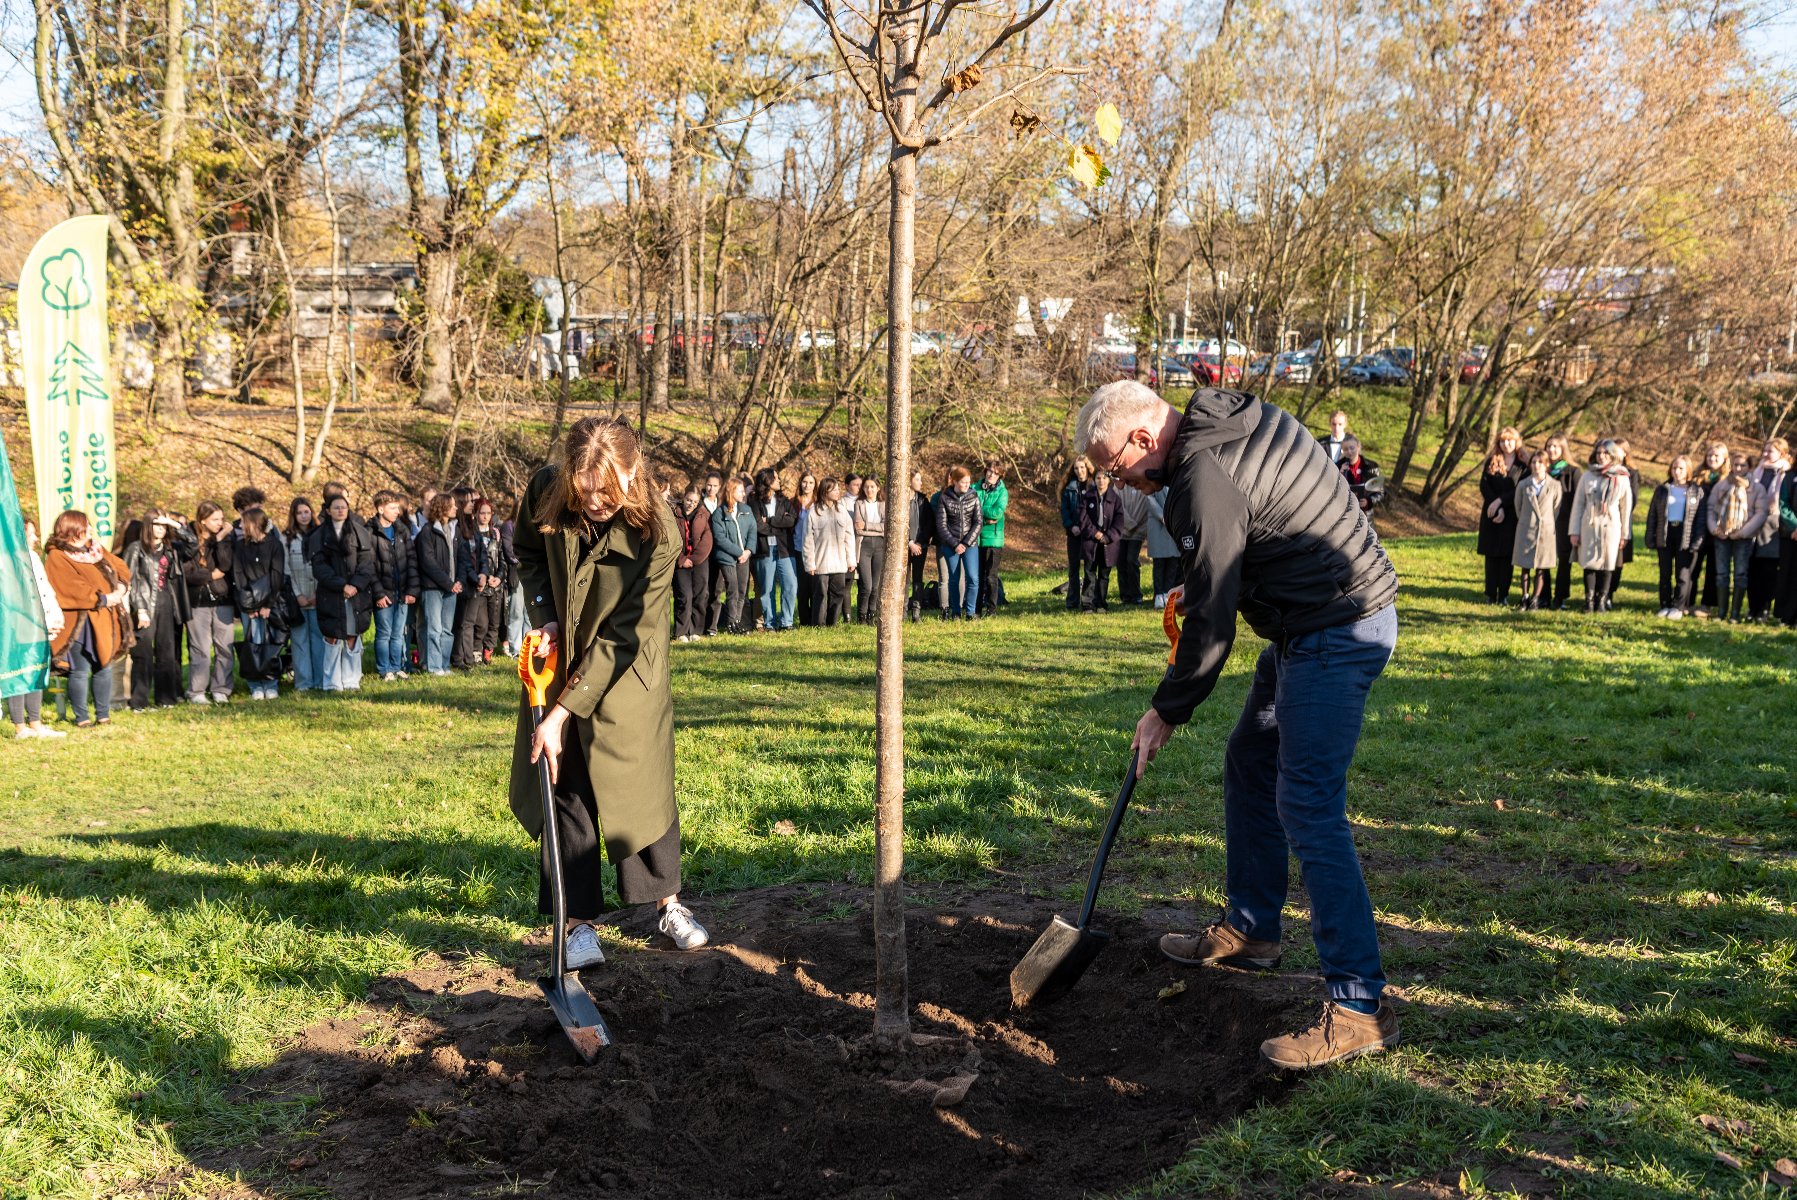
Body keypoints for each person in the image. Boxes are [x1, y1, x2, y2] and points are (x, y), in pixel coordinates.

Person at [1076, 379, 1400, 1070]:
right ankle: (1252, 929)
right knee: (1250, 760)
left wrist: (1167, 708)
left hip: (1335, 629)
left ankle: (1358, 1008)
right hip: (1315, 618)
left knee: (1307, 803)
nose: (1122, 483)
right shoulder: (1221, 420)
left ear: (1141, 438)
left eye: (1116, 469)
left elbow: (1213, 623)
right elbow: (1240, 547)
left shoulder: (1203, 475)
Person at [514, 416, 709, 960]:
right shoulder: (545, 489)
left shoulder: (660, 533)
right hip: (560, 662)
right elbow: (529, 554)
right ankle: (577, 924)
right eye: (584, 490)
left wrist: (563, 712)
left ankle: (667, 905)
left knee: (637, 787)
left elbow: (625, 636)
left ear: (632, 469)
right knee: (565, 783)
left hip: (629, 671)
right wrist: (545, 616)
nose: (596, 502)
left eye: (607, 489)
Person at [44, 510, 132, 729]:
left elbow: (119, 566)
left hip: (103, 619)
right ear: (73, 530)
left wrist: (120, 587)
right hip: (78, 623)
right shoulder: (57, 556)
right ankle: (82, 717)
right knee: (80, 670)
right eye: (86, 526)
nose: (91, 530)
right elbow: (69, 588)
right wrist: (102, 598)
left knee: (104, 665)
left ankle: (103, 715)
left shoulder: (95, 550)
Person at [121, 509, 193, 710]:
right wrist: (140, 609)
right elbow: (130, 580)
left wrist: (176, 525)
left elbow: (193, 545)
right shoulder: (136, 549)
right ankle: (139, 701)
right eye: (157, 525)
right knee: (142, 655)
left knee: (167, 653)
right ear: (147, 526)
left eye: (163, 526)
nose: (161, 529)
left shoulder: (171, 549)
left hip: (166, 602)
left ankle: (166, 698)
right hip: (144, 604)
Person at [9, 519, 67, 739]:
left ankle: (36, 723)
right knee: (19, 672)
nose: (35, 538)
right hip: (21, 625)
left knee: (37, 669)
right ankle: (19, 726)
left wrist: (55, 613)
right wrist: (40, 621)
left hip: (40, 625)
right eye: (31, 534)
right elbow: (19, 599)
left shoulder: (33, 557)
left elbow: (45, 590)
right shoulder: (8, 561)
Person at [311, 493, 375, 690]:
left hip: (356, 594)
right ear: (328, 511)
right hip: (331, 594)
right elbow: (320, 567)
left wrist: (355, 585)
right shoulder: (319, 535)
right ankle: (331, 683)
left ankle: (351, 680)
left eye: (344, 507)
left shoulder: (359, 532)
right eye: (336, 507)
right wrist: (341, 585)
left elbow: (367, 563)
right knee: (332, 636)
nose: (340, 510)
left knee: (352, 634)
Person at [1568, 439, 1634, 613]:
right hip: (1589, 525)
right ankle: (1588, 602)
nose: (1602, 456)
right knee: (1589, 563)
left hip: (1611, 526)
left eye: (1606, 453)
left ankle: (1602, 601)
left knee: (1607, 563)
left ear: (1613, 455)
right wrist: (1574, 531)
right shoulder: (1587, 476)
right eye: (1599, 453)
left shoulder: (1622, 478)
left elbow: (1625, 509)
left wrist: (1624, 534)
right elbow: (1578, 505)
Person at [230, 507, 288, 699]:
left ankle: (271, 683)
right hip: (249, 605)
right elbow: (238, 576)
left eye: (244, 522)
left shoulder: (274, 545)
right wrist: (249, 606)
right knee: (252, 643)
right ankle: (255, 685)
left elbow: (276, 575)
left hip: (268, 604)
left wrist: (267, 605)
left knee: (269, 643)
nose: (240, 525)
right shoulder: (241, 547)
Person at [183, 502, 237, 704]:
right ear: (202, 520)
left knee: (224, 647)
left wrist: (221, 539)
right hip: (197, 601)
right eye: (215, 519)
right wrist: (210, 575)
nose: (220, 523)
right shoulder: (189, 540)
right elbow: (188, 573)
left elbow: (225, 565)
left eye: (221, 519)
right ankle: (197, 690)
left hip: (222, 599)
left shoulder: (223, 539)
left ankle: (221, 688)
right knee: (201, 648)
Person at [1705, 454, 1768, 623]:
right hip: (1722, 535)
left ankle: (1735, 613)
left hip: (1743, 537)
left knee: (1740, 574)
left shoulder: (1757, 488)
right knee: (1721, 574)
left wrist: (1742, 532)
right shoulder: (1722, 485)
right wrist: (1714, 528)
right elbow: (1711, 508)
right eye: (1735, 465)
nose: (1738, 468)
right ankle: (1721, 612)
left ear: (1750, 467)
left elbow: (1761, 513)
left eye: (1743, 465)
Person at [369, 490, 420, 681]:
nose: (397, 511)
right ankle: (384, 670)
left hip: (402, 590)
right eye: (392, 508)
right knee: (384, 632)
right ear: (380, 508)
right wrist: (378, 593)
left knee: (399, 632)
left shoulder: (402, 530)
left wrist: (411, 590)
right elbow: (369, 566)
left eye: (397, 507)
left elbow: (412, 561)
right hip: (384, 591)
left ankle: (396, 666)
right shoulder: (371, 531)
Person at [1645, 456, 1704, 619]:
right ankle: (1665, 604)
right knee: (1665, 573)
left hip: (1685, 535)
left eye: (1681, 469)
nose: (1677, 472)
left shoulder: (1696, 491)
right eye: (1674, 468)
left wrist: (1697, 541)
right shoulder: (1662, 489)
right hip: (1665, 534)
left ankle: (1678, 606)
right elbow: (1652, 515)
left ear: (1688, 471)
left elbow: (1700, 519)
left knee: (1682, 574)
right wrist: (1650, 536)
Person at [455, 497, 507, 666]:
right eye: (481, 513)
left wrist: (497, 577)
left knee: (491, 623)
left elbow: (499, 558)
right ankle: (473, 653)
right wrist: (479, 577)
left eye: (488, 513)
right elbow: (468, 559)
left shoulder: (495, 533)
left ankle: (485, 651)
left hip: (492, 584)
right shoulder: (469, 531)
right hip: (477, 585)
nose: (485, 516)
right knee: (476, 623)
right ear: (476, 514)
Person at [414, 493, 461, 675]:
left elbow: (461, 558)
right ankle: (433, 667)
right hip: (433, 588)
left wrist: (458, 582)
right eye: (452, 505)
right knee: (433, 628)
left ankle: (444, 665)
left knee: (447, 630)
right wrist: (448, 583)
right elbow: (428, 563)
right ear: (442, 507)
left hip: (452, 588)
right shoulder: (427, 531)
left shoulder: (454, 530)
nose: (456, 508)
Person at [1476, 429, 1524, 604]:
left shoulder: (1522, 464)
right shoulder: (1492, 461)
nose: (1506, 444)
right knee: (1491, 556)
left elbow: (1519, 489)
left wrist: (1502, 503)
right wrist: (1495, 505)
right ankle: (1490, 593)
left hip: (1512, 514)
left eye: (1510, 441)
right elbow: (1484, 485)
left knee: (1506, 556)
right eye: (1503, 441)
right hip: (1491, 513)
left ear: (1516, 442)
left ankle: (1503, 594)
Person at [803, 477, 858, 626]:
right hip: (820, 563)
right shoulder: (814, 511)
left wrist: (851, 560)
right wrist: (810, 564)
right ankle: (818, 625)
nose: (837, 492)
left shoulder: (842, 511)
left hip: (839, 563)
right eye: (833, 489)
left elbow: (849, 537)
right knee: (820, 595)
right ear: (825, 491)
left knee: (837, 594)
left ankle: (832, 623)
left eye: (837, 489)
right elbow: (808, 539)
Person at [1510, 450, 1561, 611]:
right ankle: (1524, 597)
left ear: (1546, 465)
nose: (1536, 465)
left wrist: (1545, 522)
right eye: (1533, 462)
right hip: (1526, 529)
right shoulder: (1523, 484)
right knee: (1524, 566)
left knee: (1541, 568)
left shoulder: (1555, 485)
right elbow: (1517, 507)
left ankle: (1535, 599)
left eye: (1540, 462)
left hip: (1545, 531)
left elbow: (1556, 508)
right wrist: (1527, 521)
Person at [751, 468, 799, 632]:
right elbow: (758, 526)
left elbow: (791, 520)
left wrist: (770, 521)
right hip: (764, 549)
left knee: (790, 584)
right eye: (776, 478)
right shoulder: (755, 502)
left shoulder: (784, 500)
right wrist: (779, 526)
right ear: (767, 481)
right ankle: (770, 623)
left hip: (785, 549)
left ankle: (787, 622)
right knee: (767, 588)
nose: (779, 481)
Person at [1747, 438, 1790, 621]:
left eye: (1769, 451)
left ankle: (1764, 609)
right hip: (1752, 524)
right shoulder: (1757, 471)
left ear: (1781, 453)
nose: (1765, 454)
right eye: (1764, 451)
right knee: (1752, 569)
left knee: (1768, 571)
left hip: (1772, 526)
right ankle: (1752, 608)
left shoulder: (1785, 473)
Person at [285, 498, 326, 690]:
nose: (304, 515)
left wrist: (319, 592)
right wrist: (298, 595)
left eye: (307, 511)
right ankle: (304, 683)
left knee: (319, 639)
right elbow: (287, 570)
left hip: (318, 595)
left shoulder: (321, 534)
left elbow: (325, 564)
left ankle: (320, 680)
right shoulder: (287, 538)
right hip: (298, 598)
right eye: (300, 512)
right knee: (300, 641)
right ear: (294, 515)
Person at [710, 475, 756, 634]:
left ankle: (737, 622)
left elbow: (752, 532)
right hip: (727, 558)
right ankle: (731, 624)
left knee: (743, 591)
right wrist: (739, 553)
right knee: (733, 590)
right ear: (731, 491)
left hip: (744, 558)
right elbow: (720, 538)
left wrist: (748, 551)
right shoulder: (718, 514)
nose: (744, 494)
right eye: (741, 491)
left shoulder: (746, 510)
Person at [935, 465, 982, 620]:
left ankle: (970, 612)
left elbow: (978, 522)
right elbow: (941, 525)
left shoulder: (974, 496)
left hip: (970, 545)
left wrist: (966, 543)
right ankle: (956, 612)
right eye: (963, 482)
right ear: (954, 481)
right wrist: (955, 544)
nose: (967, 485)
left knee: (973, 578)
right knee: (954, 579)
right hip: (951, 545)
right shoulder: (944, 498)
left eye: (968, 482)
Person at [1540, 435, 1581, 609]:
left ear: (1563, 448)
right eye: (1549, 446)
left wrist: (1575, 527)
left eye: (1555, 446)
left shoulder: (1573, 471)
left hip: (1565, 522)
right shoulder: (1542, 469)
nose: (1551, 450)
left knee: (1564, 561)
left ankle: (1560, 597)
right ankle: (1543, 596)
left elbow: (1579, 501)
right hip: (1544, 522)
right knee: (1543, 560)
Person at [1691, 441, 1730, 616]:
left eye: (1717, 456)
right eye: (1710, 455)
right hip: (1697, 527)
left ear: (1724, 459)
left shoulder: (1728, 479)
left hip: (1718, 529)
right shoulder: (1697, 476)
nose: (1712, 459)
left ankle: (1708, 604)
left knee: (1714, 568)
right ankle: (1687, 601)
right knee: (1693, 565)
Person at [1076, 468, 1124, 611]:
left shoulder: (1116, 499)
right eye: (1098, 478)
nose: (1101, 481)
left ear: (1109, 480)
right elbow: (1082, 518)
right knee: (1089, 574)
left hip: (1107, 544)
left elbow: (1119, 521)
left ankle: (1101, 603)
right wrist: (1094, 533)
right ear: (1094, 480)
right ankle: (1087, 605)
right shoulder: (1087, 497)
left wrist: (1108, 536)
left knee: (1104, 575)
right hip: (1090, 542)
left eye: (1104, 478)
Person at [673, 488, 713, 643]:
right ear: (684, 498)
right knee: (684, 596)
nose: (691, 504)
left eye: (695, 502)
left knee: (700, 595)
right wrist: (682, 559)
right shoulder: (674, 514)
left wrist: (695, 559)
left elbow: (707, 539)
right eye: (689, 500)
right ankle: (681, 631)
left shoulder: (704, 514)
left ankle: (696, 629)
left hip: (699, 561)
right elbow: (672, 538)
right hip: (680, 561)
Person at [975, 460, 1009, 615]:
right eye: (990, 471)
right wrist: (984, 515)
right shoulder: (974, 487)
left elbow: (997, 513)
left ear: (1000, 476)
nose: (992, 474)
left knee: (990, 577)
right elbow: (969, 509)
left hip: (993, 540)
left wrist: (979, 510)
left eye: (996, 473)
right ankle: (975, 609)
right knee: (976, 577)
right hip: (975, 538)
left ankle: (991, 609)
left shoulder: (1002, 492)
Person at [1059, 457, 1093, 610]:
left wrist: (1085, 527)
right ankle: (1072, 602)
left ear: (1087, 468)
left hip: (1089, 534)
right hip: (1073, 534)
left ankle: (1088, 602)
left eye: (1082, 467)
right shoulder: (1069, 488)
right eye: (1076, 468)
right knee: (1073, 569)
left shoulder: (1094, 486)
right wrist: (1071, 526)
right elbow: (1064, 511)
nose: (1080, 471)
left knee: (1089, 569)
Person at [854, 476, 886, 622]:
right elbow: (858, 529)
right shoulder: (859, 504)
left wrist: (867, 525)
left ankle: (872, 614)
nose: (869, 490)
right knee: (866, 585)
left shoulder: (884, 504)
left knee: (875, 585)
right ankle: (861, 614)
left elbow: (886, 528)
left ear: (878, 488)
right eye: (866, 487)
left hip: (879, 546)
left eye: (872, 486)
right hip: (864, 545)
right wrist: (876, 528)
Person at [905, 469, 935, 621]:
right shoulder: (900, 500)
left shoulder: (923, 500)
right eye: (917, 479)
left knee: (918, 578)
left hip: (920, 547)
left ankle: (916, 611)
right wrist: (909, 543)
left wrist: (919, 543)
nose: (920, 482)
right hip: (903, 547)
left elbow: (929, 524)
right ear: (909, 481)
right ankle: (903, 611)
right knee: (903, 579)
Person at [1114, 480, 1149, 606]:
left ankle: (1136, 594)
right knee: (1121, 562)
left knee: (1131, 560)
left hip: (1138, 531)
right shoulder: (1118, 486)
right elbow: (1117, 506)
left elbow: (1145, 506)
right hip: (1121, 530)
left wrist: (1134, 525)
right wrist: (1128, 524)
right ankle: (1125, 595)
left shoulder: (1140, 484)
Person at [1144, 490, 1180, 610]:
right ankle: (1158, 594)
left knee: (1172, 562)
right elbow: (1149, 497)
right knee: (1159, 563)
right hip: (1157, 523)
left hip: (1174, 522)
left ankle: (1168, 593)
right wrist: (1162, 516)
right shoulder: (1154, 474)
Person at [793, 471, 819, 627]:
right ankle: (804, 621)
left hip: (815, 551)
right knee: (802, 588)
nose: (807, 485)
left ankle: (815, 620)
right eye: (804, 482)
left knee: (814, 587)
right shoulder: (793, 502)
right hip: (797, 549)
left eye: (810, 482)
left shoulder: (818, 503)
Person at [1337, 437, 1386, 519]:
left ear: (1358, 446)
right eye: (1345, 449)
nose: (1349, 452)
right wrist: (1339, 474)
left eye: (1352, 448)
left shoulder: (1372, 467)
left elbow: (1380, 493)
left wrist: (1368, 502)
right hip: (1344, 516)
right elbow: (1331, 492)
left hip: (1366, 517)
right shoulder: (1337, 466)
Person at [1776, 469, 1797, 627]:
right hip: (1791, 536)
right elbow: (1783, 503)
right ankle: (1787, 616)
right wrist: (1795, 526)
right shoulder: (1790, 477)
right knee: (1789, 576)